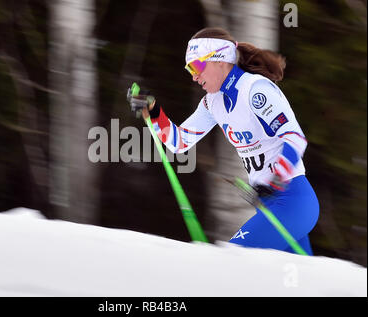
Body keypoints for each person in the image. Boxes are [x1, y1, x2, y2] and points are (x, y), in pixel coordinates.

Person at [131, 27, 320, 255]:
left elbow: (295, 137)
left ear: (220, 60)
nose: (194, 75)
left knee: (234, 259)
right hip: (272, 207)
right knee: (299, 282)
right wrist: (153, 112)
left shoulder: (256, 89)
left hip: (293, 200)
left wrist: (276, 178)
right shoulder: (213, 102)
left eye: (197, 66)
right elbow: (179, 142)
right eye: (189, 68)